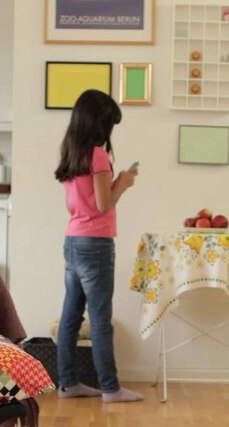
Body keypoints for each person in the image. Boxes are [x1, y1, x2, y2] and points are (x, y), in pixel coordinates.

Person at [54, 89, 142, 403]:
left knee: (70, 317)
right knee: (100, 318)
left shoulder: (70, 152)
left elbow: (74, 205)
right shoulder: (98, 155)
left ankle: (67, 383)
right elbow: (104, 205)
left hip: (73, 240)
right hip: (96, 244)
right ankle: (110, 387)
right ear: (99, 124)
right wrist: (123, 183)